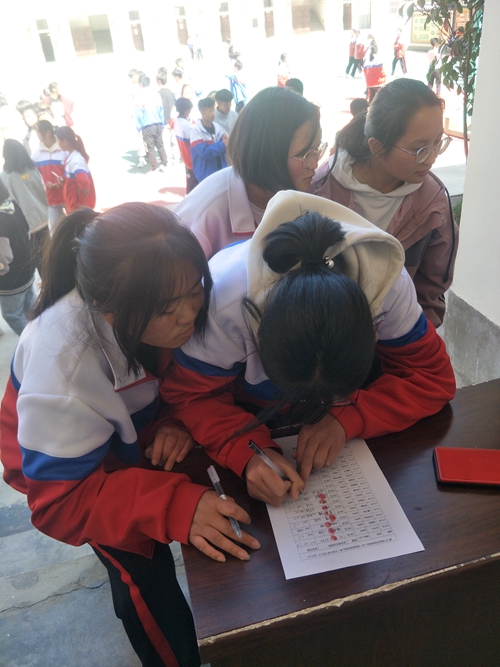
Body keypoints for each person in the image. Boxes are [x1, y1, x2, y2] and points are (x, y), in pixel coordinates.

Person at [0, 202, 260, 667]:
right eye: (167, 309)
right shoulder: (63, 371)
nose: (189, 316)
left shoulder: (155, 299)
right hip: (63, 470)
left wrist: (171, 422)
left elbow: (176, 384)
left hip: (123, 437)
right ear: (109, 311)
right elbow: (59, 503)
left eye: (195, 291)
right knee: (141, 568)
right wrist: (175, 506)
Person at [160, 190, 456, 507]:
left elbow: (431, 377)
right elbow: (190, 397)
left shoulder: (386, 285)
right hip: (252, 415)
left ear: (373, 332)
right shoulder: (222, 304)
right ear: (258, 333)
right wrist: (248, 453)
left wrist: (348, 416)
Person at [312, 78, 458, 328]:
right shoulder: (319, 191)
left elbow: (430, 294)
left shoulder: (433, 205)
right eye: (420, 149)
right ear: (377, 146)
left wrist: (412, 341)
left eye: (438, 143)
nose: (432, 158)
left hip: (398, 339)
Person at [175, 86, 327, 259]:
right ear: (268, 153)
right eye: (306, 154)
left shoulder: (298, 197)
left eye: (317, 150)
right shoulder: (199, 222)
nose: (315, 163)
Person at [1, 139, 49, 274]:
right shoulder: (33, 170)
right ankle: (51, 280)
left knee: (36, 258)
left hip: (27, 226)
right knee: (48, 255)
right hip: (43, 219)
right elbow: (43, 192)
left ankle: (45, 282)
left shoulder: (5, 177)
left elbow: (9, 204)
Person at [0, 180, 36, 335]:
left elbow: (3, 259)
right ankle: (41, 332)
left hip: (11, 279)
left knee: (13, 315)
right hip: (27, 267)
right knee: (31, 307)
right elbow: (27, 229)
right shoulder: (11, 204)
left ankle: (32, 342)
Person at [32, 119, 67, 233]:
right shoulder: (36, 154)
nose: (37, 135)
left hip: (67, 195)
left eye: (38, 132)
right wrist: (46, 182)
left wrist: (63, 178)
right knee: (54, 231)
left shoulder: (63, 149)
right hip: (51, 198)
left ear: (47, 132)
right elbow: (37, 173)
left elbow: (71, 168)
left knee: (74, 225)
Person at [54, 126, 96, 213]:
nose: (57, 143)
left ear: (65, 142)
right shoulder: (72, 157)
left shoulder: (76, 160)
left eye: (58, 140)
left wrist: (83, 188)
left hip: (78, 207)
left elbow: (83, 180)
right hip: (76, 207)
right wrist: (64, 180)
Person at [189, 98, 228, 184]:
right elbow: (205, 153)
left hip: (221, 170)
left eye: (213, 110)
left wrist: (225, 143)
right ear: (202, 112)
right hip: (206, 175)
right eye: (210, 111)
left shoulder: (217, 127)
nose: (213, 114)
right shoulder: (196, 131)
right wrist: (222, 144)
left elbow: (225, 145)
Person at [134, 74, 167, 173]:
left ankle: (154, 167)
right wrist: (162, 125)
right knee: (160, 145)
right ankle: (164, 163)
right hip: (158, 124)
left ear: (140, 84)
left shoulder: (139, 97)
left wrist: (139, 128)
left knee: (150, 147)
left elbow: (138, 115)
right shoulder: (156, 95)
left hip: (147, 126)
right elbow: (161, 111)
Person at [174, 97, 199, 193]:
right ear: (186, 110)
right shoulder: (186, 125)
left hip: (185, 157)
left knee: (190, 180)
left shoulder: (177, 122)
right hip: (192, 158)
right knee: (194, 183)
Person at [156, 69, 176, 164]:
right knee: (174, 142)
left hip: (164, 121)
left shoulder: (158, 94)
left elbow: (158, 109)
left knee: (166, 142)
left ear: (159, 81)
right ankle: (176, 159)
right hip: (173, 121)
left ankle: (168, 160)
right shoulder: (171, 92)